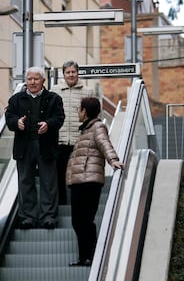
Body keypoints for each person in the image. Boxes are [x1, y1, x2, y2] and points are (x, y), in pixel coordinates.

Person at [66, 97, 124, 266]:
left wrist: (113, 160)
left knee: (85, 220)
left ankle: (92, 256)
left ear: (84, 111)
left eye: (79, 109)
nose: (78, 112)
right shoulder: (86, 130)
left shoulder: (97, 127)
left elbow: (105, 143)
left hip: (89, 181)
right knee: (78, 221)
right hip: (80, 181)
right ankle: (84, 257)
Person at [5, 66, 65, 229]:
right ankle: (27, 217)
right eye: (29, 79)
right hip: (24, 146)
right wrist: (16, 123)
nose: (32, 82)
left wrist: (48, 124)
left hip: (46, 145)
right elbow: (9, 117)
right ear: (25, 81)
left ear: (43, 81)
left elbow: (59, 118)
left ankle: (49, 217)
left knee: (49, 182)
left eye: (36, 79)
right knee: (25, 182)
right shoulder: (16, 99)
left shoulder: (54, 98)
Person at [51, 60, 94, 205]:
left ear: (78, 73)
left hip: (79, 141)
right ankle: (62, 203)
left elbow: (93, 117)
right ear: (63, 74)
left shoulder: (88, 92)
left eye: (73, 72)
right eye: (68, 72)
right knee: (59, 174)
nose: (71, 75)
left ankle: (78, 204)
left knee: (78, 175)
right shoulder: (54, 91)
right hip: (60, 140)